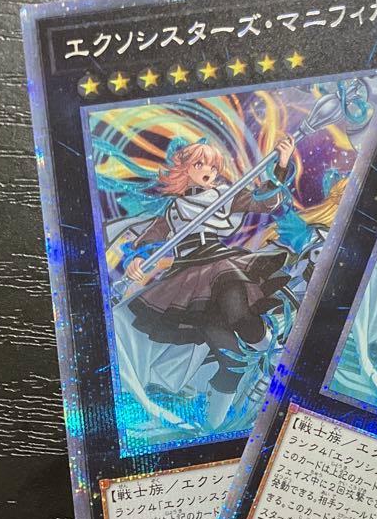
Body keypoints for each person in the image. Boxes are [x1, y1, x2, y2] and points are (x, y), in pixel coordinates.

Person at [121, 134, 296, 428]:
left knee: (240, 315)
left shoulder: (225, 194)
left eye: (213, 167)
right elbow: (144, 244)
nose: (208, 171)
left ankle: (277, 354)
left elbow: (266, 202)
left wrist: (281, 164)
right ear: (185, 168)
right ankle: (213, 427)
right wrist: (135, 261)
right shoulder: (172, 210)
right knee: (234, 359)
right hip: (189, 279)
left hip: (220, 264)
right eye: (200, 164)